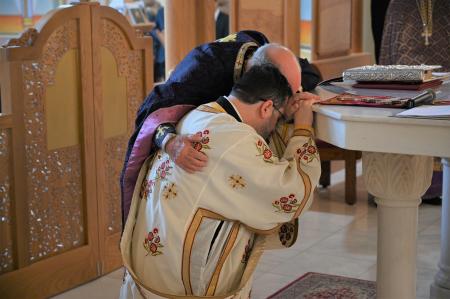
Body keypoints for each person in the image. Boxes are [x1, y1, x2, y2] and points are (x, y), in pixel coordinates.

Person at [120, 63, 321, 298]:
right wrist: (304, 127)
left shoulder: (201, 113)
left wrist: (285, 113)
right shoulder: (237, 140)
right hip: (179, 284)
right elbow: (292, 194)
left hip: (154, 266)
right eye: (277, 118)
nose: (274, 127)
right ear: (267, 107)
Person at [121, 31, 322, 225]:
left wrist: (287, 104)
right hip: (186, 169)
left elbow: (309, 72)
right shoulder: (202, 68)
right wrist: (170, 141)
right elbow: (152, 111)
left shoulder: (265, 53)